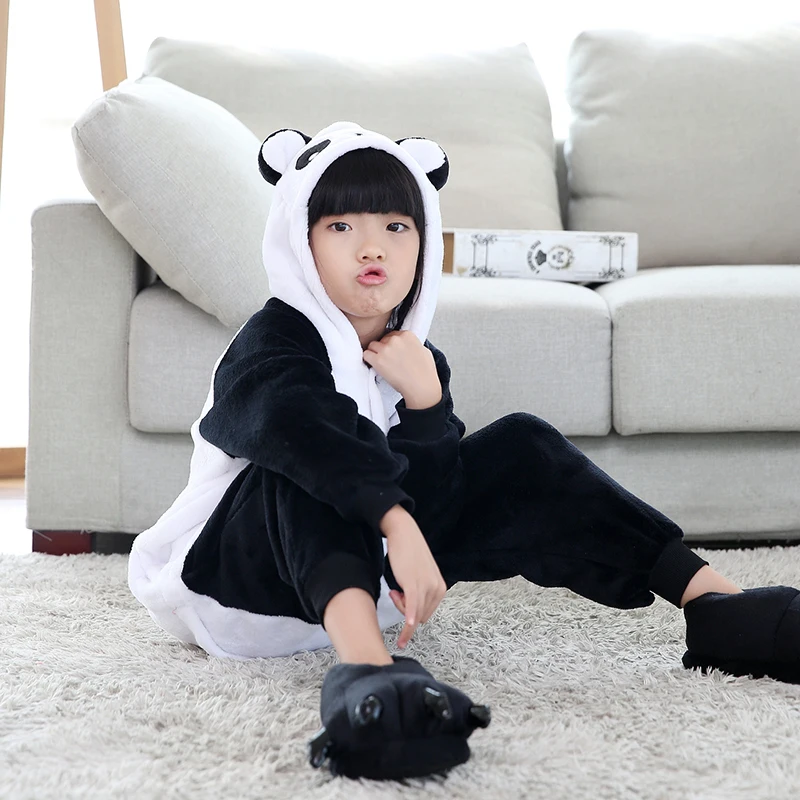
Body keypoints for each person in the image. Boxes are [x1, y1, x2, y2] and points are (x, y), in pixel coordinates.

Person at [127, 121, 800, 781]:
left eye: (397, 226)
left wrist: (426, 405)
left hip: (374, 586)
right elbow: (301, 430)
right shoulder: (272, 341)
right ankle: (368, 675)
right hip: (238, 587)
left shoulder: (414, 357)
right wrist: (395, 521)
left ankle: (720, 607)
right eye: (341, 227)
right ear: (299, 241)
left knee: (523, 447)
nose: (372, 247)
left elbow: (437, 491)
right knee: (314, 463)